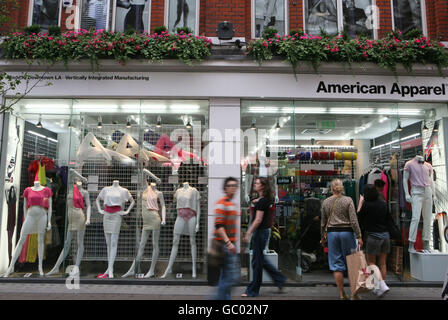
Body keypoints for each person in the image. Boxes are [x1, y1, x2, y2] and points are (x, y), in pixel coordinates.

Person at [242, 177, 286, 298]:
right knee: (260, 260)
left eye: (257, 183)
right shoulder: (265, 200)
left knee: (257, 262)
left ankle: (253, 290)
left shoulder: (262, 202)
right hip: (263, 232)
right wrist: (258, 201)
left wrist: (248, 232)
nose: (254, 184)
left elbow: (258, 220)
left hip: (260, 232)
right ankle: (279, 279)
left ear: (263, 186)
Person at [321, 179, 362, 300]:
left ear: (331, 189)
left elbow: (323, 222)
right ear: (342, 188)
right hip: (347, 233)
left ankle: (341, 293)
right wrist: (359, 235)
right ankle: (354, 294)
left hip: (332, 234)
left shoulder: (326, 202)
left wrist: (322, 236)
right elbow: (354, 220)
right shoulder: (348, 200)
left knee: (336, 265)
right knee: (352, 263)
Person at [357, 184, 390, 297]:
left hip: (373, 237)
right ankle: (379, 287)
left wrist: (360, 203)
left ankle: (381, 284)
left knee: (371, 263)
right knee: (382, 263)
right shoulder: (383, 204)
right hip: (385, 236)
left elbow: (359, 219)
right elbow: (388, 219)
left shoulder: (366, 205)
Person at [213, 177, 241, 300]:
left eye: (235, 185)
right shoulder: (222, 203)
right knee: (229, 279)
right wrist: (229, 243)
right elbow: (219, 226)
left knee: (226, 278)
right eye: (230, 185)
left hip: (231, 245)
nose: (233, 188)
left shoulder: (232, 204)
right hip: (225, 246)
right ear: (225, 188)